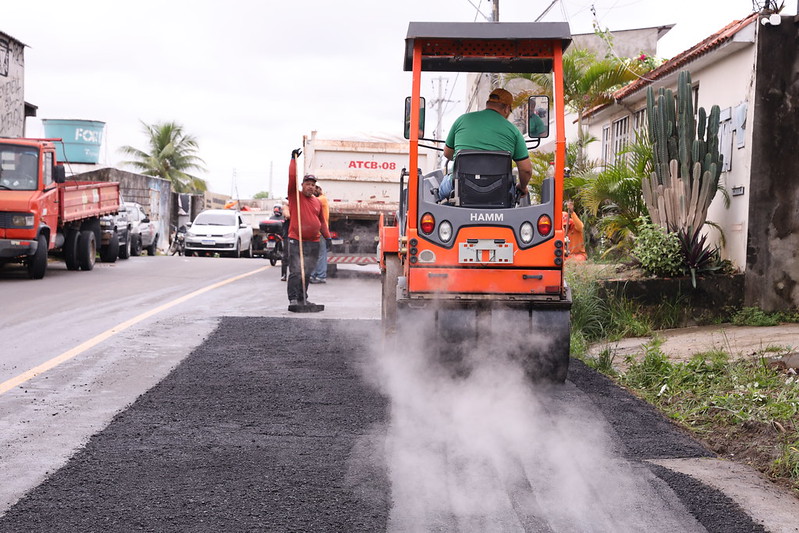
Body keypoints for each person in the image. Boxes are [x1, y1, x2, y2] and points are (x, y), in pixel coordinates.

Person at [437, 88, 533, 201]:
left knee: (440, 189)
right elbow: (526, 170)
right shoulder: (514, 131)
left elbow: (447, 154)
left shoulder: (462, 120)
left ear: (488, 104)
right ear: (507, 109)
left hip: (459, 189)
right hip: (499, 193)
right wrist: (522, 187)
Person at [286, 148, 332, 308]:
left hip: (313, 241)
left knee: (307, 271)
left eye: (313, 185)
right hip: (296, 239)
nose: (310, 187)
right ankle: (293, 298)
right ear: (302, 185)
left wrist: (327, 237)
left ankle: (302, 298)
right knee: (296, 270)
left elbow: (322, 222)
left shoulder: (317, 202)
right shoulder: (294, 196)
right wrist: (293, 159)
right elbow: (292, 178)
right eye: (308, 184)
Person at [310, 185, 330, 284]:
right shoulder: (321, 199)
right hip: (316, 231)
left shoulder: (322, 199)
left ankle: (321, 276)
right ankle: (313, 274)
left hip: (321, 231)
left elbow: (311, 200)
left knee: (321, 254)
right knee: (315, 254)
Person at [280, 200, 290, 281]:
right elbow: (287, 215)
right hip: (288, 235)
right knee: (286, 255)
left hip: (296, 235)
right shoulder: (286, 208)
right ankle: (284, 274)